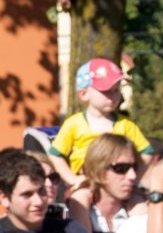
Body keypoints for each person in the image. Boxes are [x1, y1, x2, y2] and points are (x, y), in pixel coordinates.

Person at [48, 58, 153, 189]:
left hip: (118, 185)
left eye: (116, 90)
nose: (113, 95)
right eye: (106, 91)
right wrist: (72, 179)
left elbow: (147, 151)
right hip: (86, 185)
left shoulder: (125, 125)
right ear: (84, 94)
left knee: (138, 203)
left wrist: (135, 178)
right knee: (82, 200)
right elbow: (55, 154)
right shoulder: (74, 124)